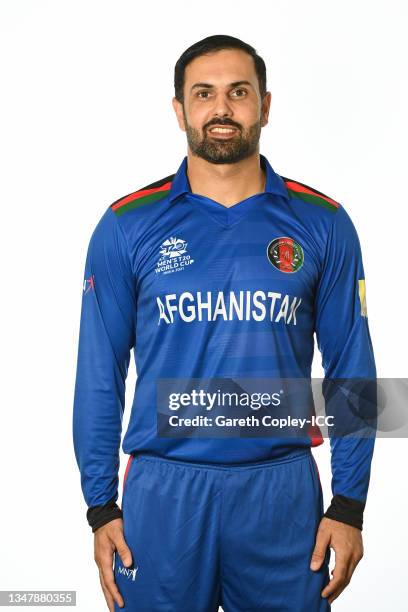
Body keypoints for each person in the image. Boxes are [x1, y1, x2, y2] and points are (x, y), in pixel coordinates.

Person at [72, 34, 377, 612]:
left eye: (238, 93)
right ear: (180, 110)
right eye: (204, 93)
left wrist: (349, 504)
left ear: (264, 105)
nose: (221, 109)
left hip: (280, 491)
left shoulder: (324, 222)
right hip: (164, 492)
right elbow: (98, 373)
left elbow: (352, 365)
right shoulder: (126, 224)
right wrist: (100, 506)